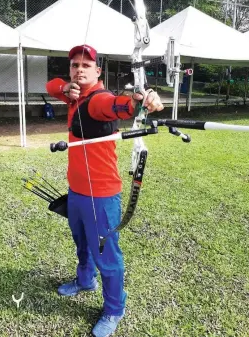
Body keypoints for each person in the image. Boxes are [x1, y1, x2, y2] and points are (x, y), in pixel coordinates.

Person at [46, 44, 163, 337]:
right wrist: (65, 86)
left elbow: (118, 105)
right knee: (82, 243)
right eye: (75, 65)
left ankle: (114, 309)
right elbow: (51, 85)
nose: (80, 69)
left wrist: (140, 101)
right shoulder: (72, 94)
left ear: (98, 71)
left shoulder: (98, 99)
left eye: (86, 65)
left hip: (102, 195)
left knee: (107, 257)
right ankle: (85, 280)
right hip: (76, 191)